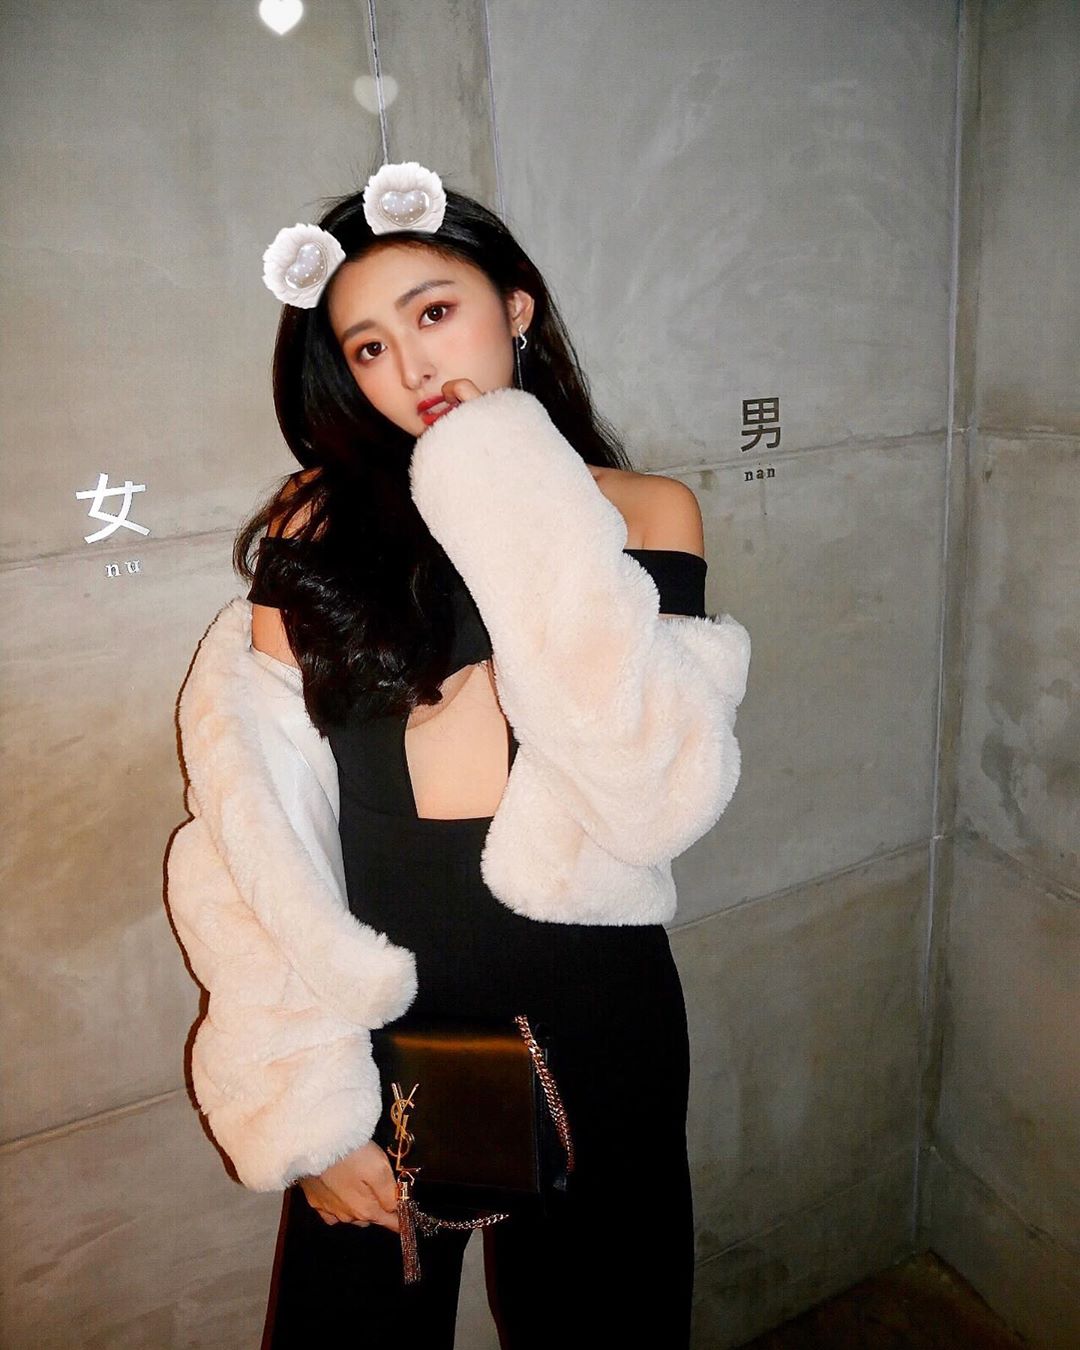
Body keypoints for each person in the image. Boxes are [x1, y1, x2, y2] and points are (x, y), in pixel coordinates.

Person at [166, 160, 751, 1349]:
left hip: (598, 1012)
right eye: (369, 347)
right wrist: (301, 1102)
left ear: (515, 306)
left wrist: (507, 484)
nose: (413, 367)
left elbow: (653, 797)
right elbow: (254, 822)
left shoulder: (646, 513)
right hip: (382, 1022)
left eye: (434, 312)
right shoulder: (318, 525)